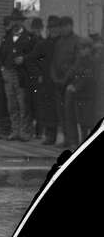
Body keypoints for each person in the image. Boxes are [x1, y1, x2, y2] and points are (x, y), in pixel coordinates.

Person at [0, 8, 35, 141]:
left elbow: (35, 55)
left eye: (18, 21)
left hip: (21, 75)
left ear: (22, 22)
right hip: (8, 73)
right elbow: (1, 53)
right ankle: (14, 130)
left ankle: (24, 132)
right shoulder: (7, 36)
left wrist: (24, 58)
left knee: (22, 103)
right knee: (11, 104)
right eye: (13, 21)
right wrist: (2, 68)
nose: (15, 23)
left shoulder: (29, 37)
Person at [23, 16, 60, 144]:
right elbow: (30, 59)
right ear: (48, 29)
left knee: (62, 110)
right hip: (47, 81)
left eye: (56, 27)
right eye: (51, 27)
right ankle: (50, 136)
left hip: (62, 81)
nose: (53, 30)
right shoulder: (43, 44)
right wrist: (38, 74)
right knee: (48, 109)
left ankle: (68, 139)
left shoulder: (63, 43)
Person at [51, 15, 81, 148]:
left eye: (64, 26)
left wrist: (65, 79)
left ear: (70, 26)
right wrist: (55, 78)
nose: (62, 29)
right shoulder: (59, 42)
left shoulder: (77, 41)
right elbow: (53, 62)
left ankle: (74, 140)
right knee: (61, 112)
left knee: (70, 112)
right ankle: (66, 139)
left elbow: (77, 63)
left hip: (70, 82)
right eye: (61, 27)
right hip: (59, 83)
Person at [65, 37, 98, 147]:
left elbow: (88, 77)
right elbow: (74, 73)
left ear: (89, 49)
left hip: (88, 95)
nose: (82, 51)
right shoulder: (79, 60)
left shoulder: (92, 61)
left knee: (89, 120)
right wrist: (72, 84)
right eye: (81, 48)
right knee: (82, 121)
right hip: (80, 95)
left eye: (85, 48)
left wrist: (76, 87)